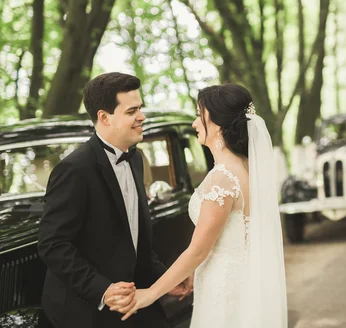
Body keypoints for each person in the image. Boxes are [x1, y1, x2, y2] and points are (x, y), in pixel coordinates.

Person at [110, 83, 288, 328]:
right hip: (240, 276)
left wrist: (150, 293)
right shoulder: (246, 168)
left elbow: (198, 250)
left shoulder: (223, 178)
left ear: (216, 123)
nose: (194, 123)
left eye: (198, 115)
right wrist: (193, 271)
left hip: (224, 286)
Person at [37, 72, 190, 328]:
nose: (141, 116)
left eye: (140, 108)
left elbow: (136, 243)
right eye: (132, 111)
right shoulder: (74, 170)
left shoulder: (137, 160)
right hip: (86, 310)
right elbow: (52, 244)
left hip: (136, 301)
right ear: (104, 117)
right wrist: (104, 290)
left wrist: (165, 279)